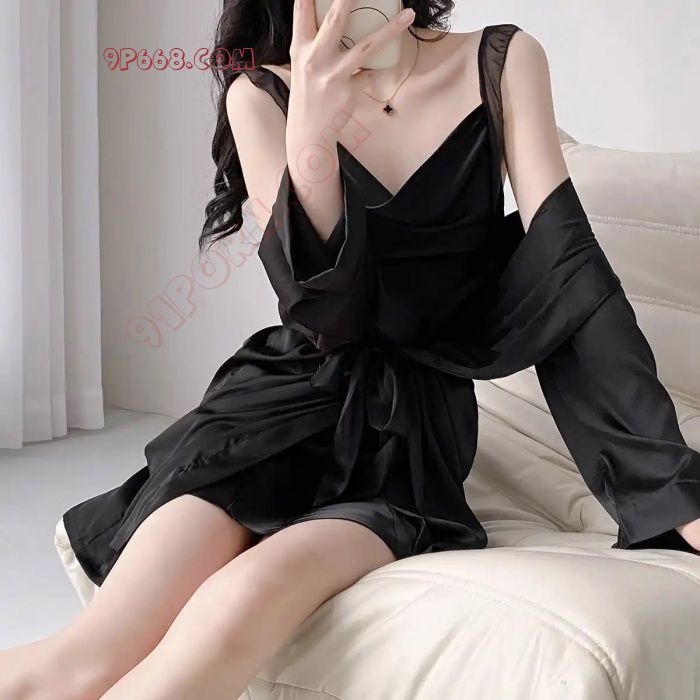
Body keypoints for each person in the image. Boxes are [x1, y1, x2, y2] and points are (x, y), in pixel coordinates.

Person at [3, 1, 700, 698]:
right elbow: (327, 313)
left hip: (404, 443)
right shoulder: (261, 94)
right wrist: (312, 128)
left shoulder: (501, 60)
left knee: (238, 607)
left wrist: (668, 489)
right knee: (87, 656)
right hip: (270, 417)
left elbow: (570, 278)